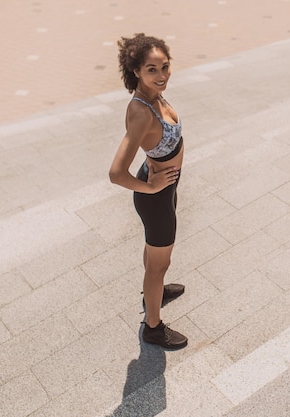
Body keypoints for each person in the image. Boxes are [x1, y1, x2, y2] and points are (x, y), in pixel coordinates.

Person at [109, 33, 187, 350]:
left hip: (164, 188)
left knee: (155, 258)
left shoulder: (154, 95)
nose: (161, 75)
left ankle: (153, 289)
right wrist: (151, 186)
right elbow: (116, 173)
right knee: (159, 263)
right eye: (152, 69)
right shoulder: (141, 110)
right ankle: (153, 327)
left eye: (165, 67)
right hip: (155, 196)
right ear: (137, 71)